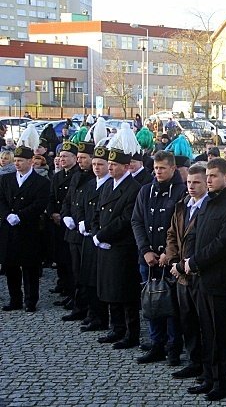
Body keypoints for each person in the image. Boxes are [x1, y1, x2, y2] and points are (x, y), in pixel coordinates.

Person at [181, 158, 226, 401]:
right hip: (202, 279)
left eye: (214, 176)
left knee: (222, 335)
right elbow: (195, 232)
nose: (208, 180)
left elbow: (224, 244)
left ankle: (222, 382)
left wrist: (195, 262)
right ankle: (209, 377)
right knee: (206, 332)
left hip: (222, 282)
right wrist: (188, 259)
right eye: (207, 176)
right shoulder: (208, 202)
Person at [132, 150, 187, 365]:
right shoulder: (146, 191)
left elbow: (182, 226)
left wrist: (168, 253)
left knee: (171, 304)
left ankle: (174, 346)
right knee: (151, 302)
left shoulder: (181, 192)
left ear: (173, 169)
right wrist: (145, 250)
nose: (158, 172)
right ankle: (157, 343)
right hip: (148, 257)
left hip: (170, 259)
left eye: (162, 168)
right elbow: (136, 221)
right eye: (155, 168)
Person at [92, 146, 142, 349]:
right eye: (109, 164)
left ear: (127, 167)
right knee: (110, 290)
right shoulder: (107, 185)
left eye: (114, 165)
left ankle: (131, 334)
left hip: (122, 246)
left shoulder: (133, 188)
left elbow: (126, 219)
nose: (110, 168)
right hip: (105, 244)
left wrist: (103, 235)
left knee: (125, 292)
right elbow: (97, 211)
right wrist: (96, 232)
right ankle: (117, 328)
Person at [166, 163, 209, 379]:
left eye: (196, 182)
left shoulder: (209, 206)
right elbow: (172, 234)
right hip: (181, 274)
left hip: (199, 273)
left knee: (204, 323)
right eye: (189, 182)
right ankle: (194, 361)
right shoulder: (183, 205)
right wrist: (174, 261)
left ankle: (207, 365)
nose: (191, 186)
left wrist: (188, 265)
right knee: (187, 321)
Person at [0, 144, 50, 312]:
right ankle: (15, 299)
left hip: (29, 229)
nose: (17, 164)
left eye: (21, 161)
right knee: (11, 267)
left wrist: (20, 216)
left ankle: (31, 300)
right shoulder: (6, 179)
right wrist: (7, 215)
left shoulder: (41, 182)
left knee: (30, 267)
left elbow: (39, 204)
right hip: (9, 228)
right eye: (16, 161)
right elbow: (1, 200)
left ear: (30, 161)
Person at [75, 145, 111, 332]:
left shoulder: (109, 184)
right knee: (87, 278)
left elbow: (102, 213)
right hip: (87, 236)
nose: (96, 167)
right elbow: (80, 204)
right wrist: (81, 221)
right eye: (95, 164)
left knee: (99, 280)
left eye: (100, 164)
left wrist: (90, 225)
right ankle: (93, 314)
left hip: (100, 236)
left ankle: (101, 317)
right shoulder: (90, 183)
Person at [59, 140, 94, 322]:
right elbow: (68, 199)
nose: (80, 161)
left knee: (86, 273)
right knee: (75, 271)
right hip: (73, 231)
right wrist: (66, 215)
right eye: (78, 158)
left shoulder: (93, 178)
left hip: (86, 232)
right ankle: (78, 304)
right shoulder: (75, 176)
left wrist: (82, 222)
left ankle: (88, 308)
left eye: (83, 158)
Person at [47, 141, 79, 307]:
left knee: (70, 260)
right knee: (61, 258)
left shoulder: (77, 175)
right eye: (60, 156)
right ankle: (65, 288)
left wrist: (64, 215)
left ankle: (73, 293)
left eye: (66, 156)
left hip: (70, 222)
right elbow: (51, 196)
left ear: (75, 158)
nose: (62, 159)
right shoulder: (58, 175)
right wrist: (53, 213)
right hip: (57, 222)